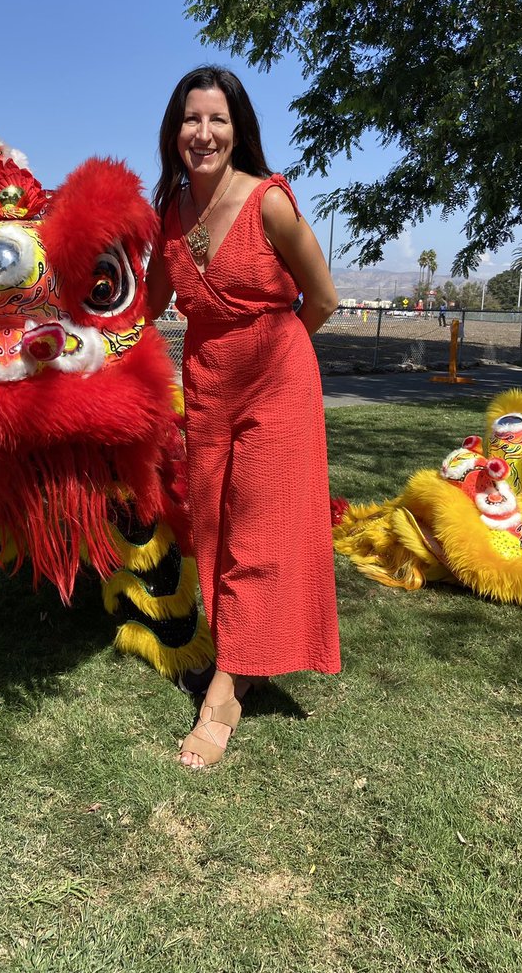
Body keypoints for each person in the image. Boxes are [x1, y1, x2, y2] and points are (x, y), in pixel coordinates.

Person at [146, 66, 341, 769]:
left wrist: (276, 361)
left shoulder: (269, 204)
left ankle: (224, 695)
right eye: (191, 120)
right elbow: (144, 306)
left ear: (239, 131)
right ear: (174, 133)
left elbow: (320, 299)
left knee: (258, 531)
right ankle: (246, 651)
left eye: (217, 120)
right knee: (216, 526)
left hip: (276, 381)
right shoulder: (169, 212)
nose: (203, 133)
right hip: (207, 384)